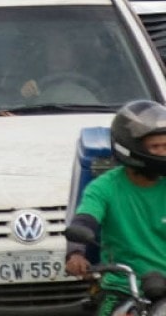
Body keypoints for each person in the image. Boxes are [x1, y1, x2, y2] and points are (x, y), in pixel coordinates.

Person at [66, 100, 166, 315]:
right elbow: (84, 220)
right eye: (155, 147)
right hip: (123, 286)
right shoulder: (104, 187)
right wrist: (75, 253)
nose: (163, 153)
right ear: (131, 148)